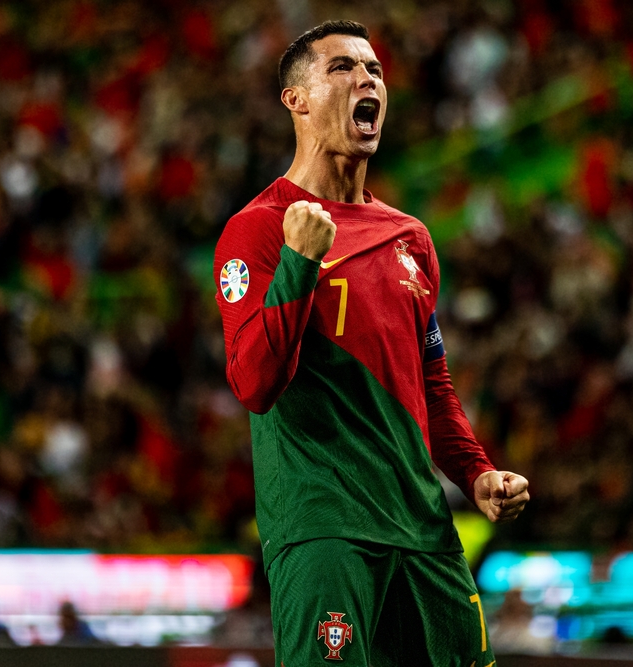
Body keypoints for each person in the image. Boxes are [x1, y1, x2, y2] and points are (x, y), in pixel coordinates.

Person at [213, 20, 530, 666]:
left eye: (376, 71)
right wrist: (300, 263)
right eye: (342, 69)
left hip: (424, 531)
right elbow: (254, 382)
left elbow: (431, 385)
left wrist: (475, 473)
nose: (367, 81)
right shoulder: (258, 232)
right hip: (324, 530)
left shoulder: (410, 237)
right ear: (296, 100)